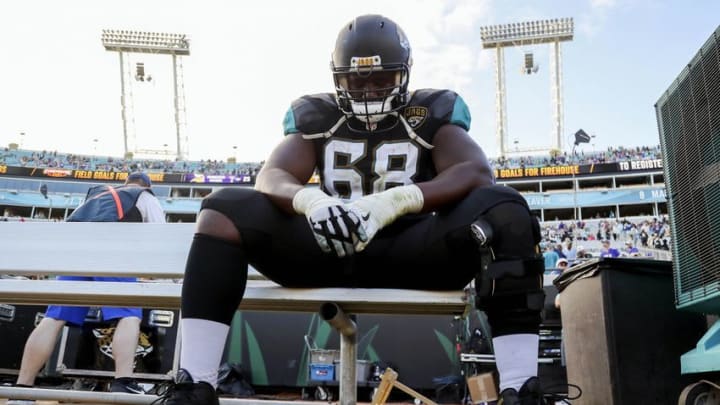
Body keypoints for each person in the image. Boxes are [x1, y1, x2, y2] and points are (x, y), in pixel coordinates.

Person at [158, 15, 545, 405]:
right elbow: (272, 175)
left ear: (404, 75)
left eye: (381, 79)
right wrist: (312, 201)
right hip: (331, 245)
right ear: (338, 79)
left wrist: (395, 201)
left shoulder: (430, 112)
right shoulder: (317, 116)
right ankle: (195, 386)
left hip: (411, 249)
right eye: (356, 81)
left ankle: (520, 390)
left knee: (506, 208)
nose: (368, 90)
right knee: (222, 209)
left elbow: (476, 171)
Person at [8, 173, 165, 404]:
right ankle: (123, 383)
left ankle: (22, 389)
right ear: (147, 186)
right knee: (128, 315)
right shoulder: (145, 196)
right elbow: (160, 237)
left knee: (53, 318)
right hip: (114, 250)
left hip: (77, 252)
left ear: (125, 183)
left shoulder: (97, 194)